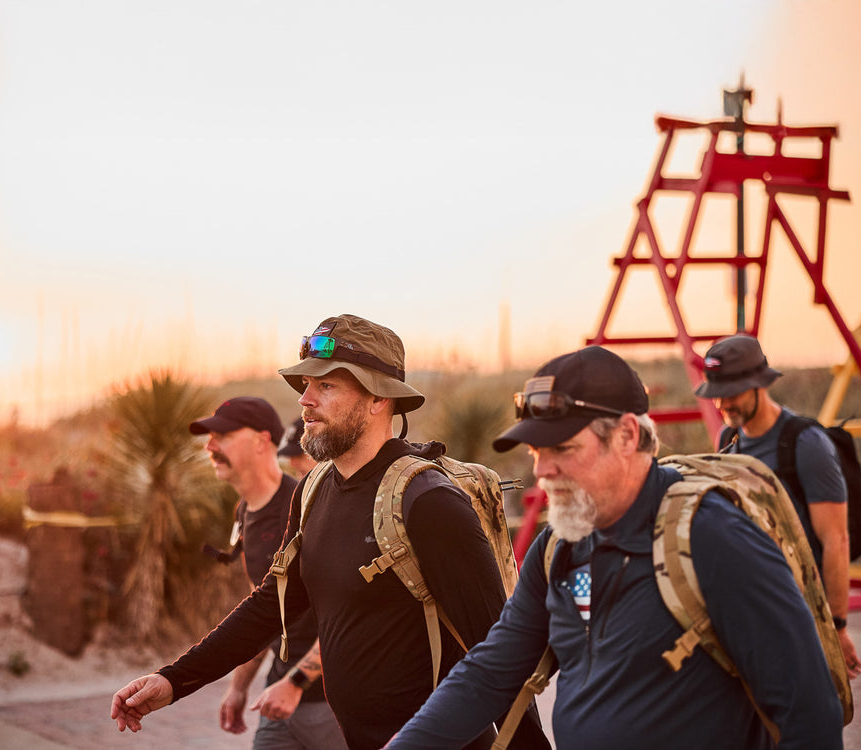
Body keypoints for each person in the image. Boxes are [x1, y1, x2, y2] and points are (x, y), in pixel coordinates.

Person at [110, 314, 549, 750]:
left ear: (379, 398)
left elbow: (499, 654)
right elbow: (271, 604)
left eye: (327, 385)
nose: (305, 400)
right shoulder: (314, 489)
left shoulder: (428, 501)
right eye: (305, 386)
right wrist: (173, 680)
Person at [385, 345, 844, 749]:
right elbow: (489, 674)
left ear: (627, 435)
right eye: (534, 453)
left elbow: (809, 716)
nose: (543, 471)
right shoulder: (558, 549)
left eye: (561, 448)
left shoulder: (712, 536)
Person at [695, 333, 861, 679]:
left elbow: (836, 540)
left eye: (731, 395)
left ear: (760, 385)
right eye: (716, 396)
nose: (722, 405)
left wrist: (838, 626)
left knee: (809, 716)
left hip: (801, 609)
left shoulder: (806, 444)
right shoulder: (728, 440)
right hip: (752, 607)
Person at [189, 397, 346, 749]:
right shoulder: (243, 512)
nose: (210, 445)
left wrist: (296, 683)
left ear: (262, 442)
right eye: (209, 438)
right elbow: (261, 609)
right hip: (277, 698)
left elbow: (346, 611)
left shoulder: (308, 508)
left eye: (223, 435)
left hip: (331, 701)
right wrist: (238, 687)